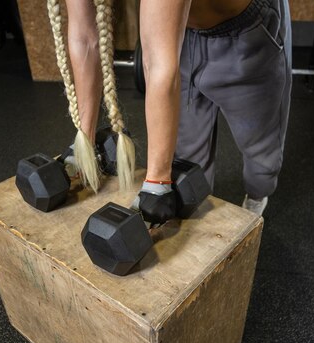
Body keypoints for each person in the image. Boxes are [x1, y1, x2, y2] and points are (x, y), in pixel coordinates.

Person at [47, 0, 291, 221]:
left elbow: (157, 63)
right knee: (188, 159)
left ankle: (257, 200)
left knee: (261, 155)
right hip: (178, 33)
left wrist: (156, 184)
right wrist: (83, 145)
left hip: (246, 34)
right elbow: (85, 38)